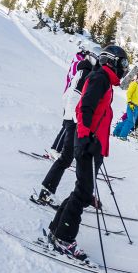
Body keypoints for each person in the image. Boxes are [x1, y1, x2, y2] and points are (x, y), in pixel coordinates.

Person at [47, 45, 128, 261]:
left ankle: (57, 229)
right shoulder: (100, 78)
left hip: (93, 145)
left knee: (81, 191)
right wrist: (84, 138)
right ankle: (63, 238)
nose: (125, 68)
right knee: (83, 193)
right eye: (124, 63)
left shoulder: (105, 81)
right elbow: (83, 108)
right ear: (112, 61)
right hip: (87, 144)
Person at [33, 48, 96, 205]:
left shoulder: (83, 71)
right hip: (74, 121)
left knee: (67, 158)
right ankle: (47, 192)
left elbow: (67, 95)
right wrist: (75, 118)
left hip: (72, 119)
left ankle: (48, 191)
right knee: (67, 158)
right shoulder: (85, 72)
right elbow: (73, 96)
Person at [112, 72, 138, 138]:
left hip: (137, 106)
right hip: (132, 105)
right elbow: (129, 93)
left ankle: (116, 132)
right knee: (130, 121)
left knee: (129, 121)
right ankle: (123, 136)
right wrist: (129, 102)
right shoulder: (134, 83)